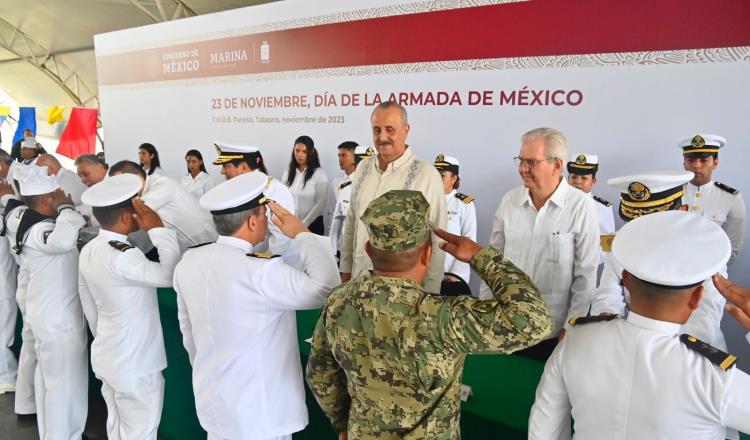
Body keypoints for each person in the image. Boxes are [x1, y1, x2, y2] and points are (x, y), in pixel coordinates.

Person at [307, 190, 552, 439]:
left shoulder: (339, 300)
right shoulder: (442, 316)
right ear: (427, 254)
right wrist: (481, 256)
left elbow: (319, 373)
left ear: (369, 250)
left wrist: (342, 423)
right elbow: (533, 320)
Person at [529, 210, 750, 439]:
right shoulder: (715, 378)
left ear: (625, 279)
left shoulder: (574, 341)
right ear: (696, 298)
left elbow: (544, 429)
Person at [173, 172, 340, 440]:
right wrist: (301, 234)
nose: (267, 220)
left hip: (215, 404)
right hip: (260, 416)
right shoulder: (259, 271)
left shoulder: (190, 261)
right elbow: (326, 287)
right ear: (252, 221)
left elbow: (189, 336)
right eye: (264, 214)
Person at [480, 127, 599, 361]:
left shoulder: (580, 206)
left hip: (552, 336)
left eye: (531, 162)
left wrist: (571, 326)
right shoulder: (509, 201)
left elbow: (586, 273)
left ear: (557, 165)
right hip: (506, 329)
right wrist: (486, 312)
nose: (523, 169)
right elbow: (491, 262)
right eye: (521, 160)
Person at [78, 174, 181, 440]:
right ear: (126, 218)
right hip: (135, 364)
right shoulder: (124, 256)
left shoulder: (90, 248)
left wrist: (102, 334)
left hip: (107, 355)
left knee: (117, 429)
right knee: (140, 433)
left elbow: (85, 297)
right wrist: (158, 229)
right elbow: (171, 275)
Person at [591, 171, 730, 350]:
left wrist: (663, 353)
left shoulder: (706, 247)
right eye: (634, 221)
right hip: (633, 341)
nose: (641, 230)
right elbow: (608, 293)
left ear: (682, 211)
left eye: (652, 221)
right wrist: (607, 324)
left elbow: (706, 314)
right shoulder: (621, 242)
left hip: (691, 348)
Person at [340, 101, 446, 292]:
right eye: (376, 130)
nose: (382, 137)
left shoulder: (426, 175)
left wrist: (431, 294)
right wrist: (345, 271)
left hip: (404, 298)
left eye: (390, 129)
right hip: (358, 286)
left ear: (406, 130)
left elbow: (438, 238)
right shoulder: (363, 169)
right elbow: (351, 222)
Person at [13, 164, 87, 439]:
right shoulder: (41, 230)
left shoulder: (33, 221)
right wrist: (68, 208)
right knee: (63, 383)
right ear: (46, 200)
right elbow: (65, 240)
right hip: (57, 320)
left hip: (49, 314)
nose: (63, 195)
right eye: (57, 194)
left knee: (50, 381)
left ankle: (57, 433)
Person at [108, 160, 217, 253]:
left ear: (138, 178)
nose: (119, 190)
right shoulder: (144, 191)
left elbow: (134, 214)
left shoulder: (161, 185)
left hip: (207, 241)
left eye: (121, 183)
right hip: (190, 246)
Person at [213, 142, 296, 257]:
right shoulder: (240, 188)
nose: (222, 171)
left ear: (243, 167)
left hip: (273, 265)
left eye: (227, 166)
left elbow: (282, 237)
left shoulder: (273, 189)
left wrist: (261, 264)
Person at [1, 165, 36, 419]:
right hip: (17, 287)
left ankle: (24, 403)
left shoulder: (13, 212)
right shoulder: (21, 214)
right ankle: (5, 375)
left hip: (21, 286)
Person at [679, 134, 746, 265]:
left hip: (711, 276)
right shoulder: (668, 195)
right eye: (690, 160)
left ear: (715, 163)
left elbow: (732, 249)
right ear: (684, 163)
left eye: (704, 160)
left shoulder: (731, 198)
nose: (696, 166)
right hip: (673, 272)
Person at [434, 154, 477, 296]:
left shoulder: (464, 204)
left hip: (453, 277)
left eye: (442, 176)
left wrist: (455, 275)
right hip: (428, 274)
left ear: (454, 178)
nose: (436, 179)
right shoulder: (426, 200)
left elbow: (469, 241)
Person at [566, 153, 615, 264]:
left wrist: (585, 263)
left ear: (593, 181)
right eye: (574, 177)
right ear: (567, 178)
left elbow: (607, 246)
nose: (577, 182)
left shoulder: (601, 208)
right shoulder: (553, 203)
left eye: (584, 178)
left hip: (585, 268)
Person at [329, 145, 375, 263]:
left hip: (375, 254)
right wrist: (332, 254)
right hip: (348, 251)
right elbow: (336, 224)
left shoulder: (385, 189)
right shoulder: (346, 190)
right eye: (362, 162)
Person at [283, 135, 328, 235]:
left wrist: (304, 224)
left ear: (311, 152)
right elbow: (284, 198)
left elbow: (320, 203)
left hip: (313, 225)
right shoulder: (288, 173)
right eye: (297, 150)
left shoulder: (320, 174)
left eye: (304, 151)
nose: (299, 155)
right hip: (292, 224)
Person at [324, 141, 358, 234]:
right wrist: (329, 237)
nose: (340, 159)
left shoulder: (365, 181)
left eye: (343, 155)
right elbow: (331, 212)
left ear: (355, 157)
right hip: (337, 240)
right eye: (339, 156)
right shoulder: (335, 182)